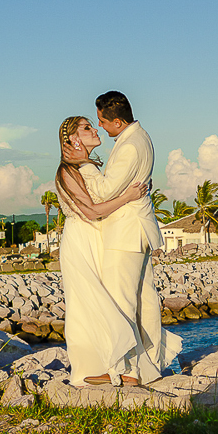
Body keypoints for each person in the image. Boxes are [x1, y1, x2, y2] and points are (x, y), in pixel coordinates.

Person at [70, 91, 182, 386]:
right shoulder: (139, 138)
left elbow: (105, 191)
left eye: (102, 122)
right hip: (137, 230)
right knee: (144, 301)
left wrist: (84, 164)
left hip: (126, 233)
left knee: (120, 303)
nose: (101, 128)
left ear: (117, 121)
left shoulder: (130, 146)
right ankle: (148, 366)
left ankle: (122, 370)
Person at [55, 115, 149, 387]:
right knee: (88, 304)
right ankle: (87, 370)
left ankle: (114, 367)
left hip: (99, 238)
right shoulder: (66, 171)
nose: (94, 130)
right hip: (81, 241)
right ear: (73, 139)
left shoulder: (87, 167)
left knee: (107, 300)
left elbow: (104, 194)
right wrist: (128, 197)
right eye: (86, 128)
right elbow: (92, 211)